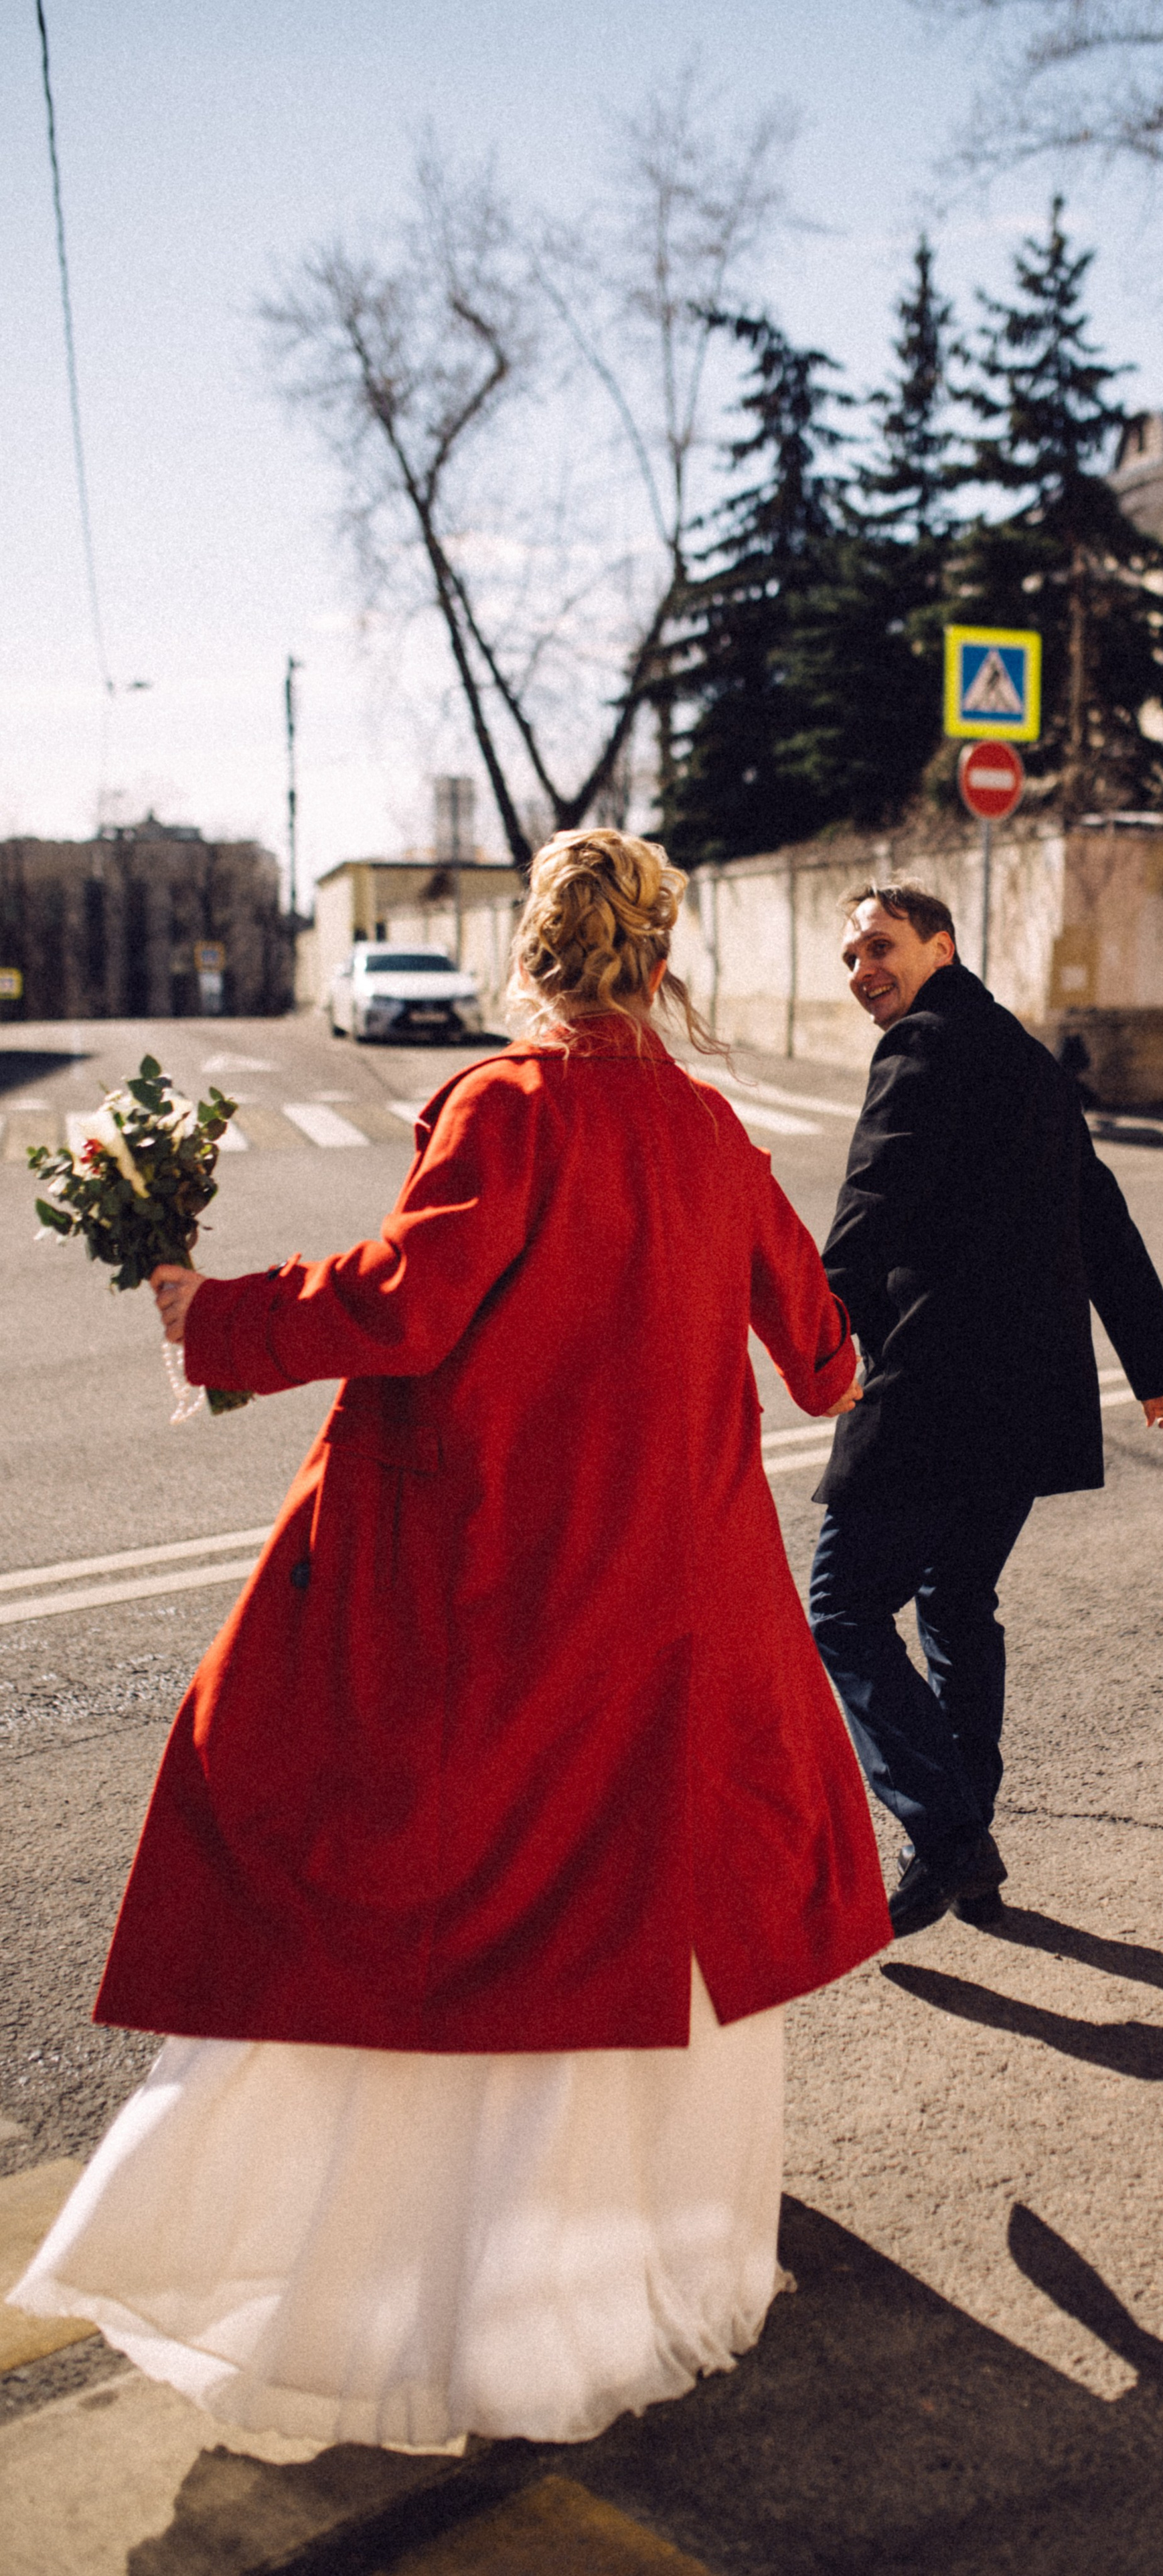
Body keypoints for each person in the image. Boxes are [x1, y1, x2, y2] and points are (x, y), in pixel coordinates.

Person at [11, 829, 891, 2451]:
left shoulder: (510, 1103)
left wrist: (211, 1313)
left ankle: (437, 2292)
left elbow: (410, 1299)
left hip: (518, 1593)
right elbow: (824, 1358)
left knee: (425, 1888)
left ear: (536, 961)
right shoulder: (707, 1127)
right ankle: (628, 2272)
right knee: (641, 1909)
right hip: (687, 1609)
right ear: (660, 965)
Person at [808, 881, 1163, 1939]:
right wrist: (1156, 1361)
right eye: (849, 957)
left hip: (936, 1390)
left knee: (842, 1609)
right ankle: (962, 1839)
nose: (861, 971)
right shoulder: (1023, 1054)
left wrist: (816, 1338)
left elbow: (872, 1208)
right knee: (954, 1600)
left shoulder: (922, 1046)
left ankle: (945, 1833)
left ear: (939, 945)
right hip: (1029, 1400)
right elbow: (1099, 1209)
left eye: (878, 946)